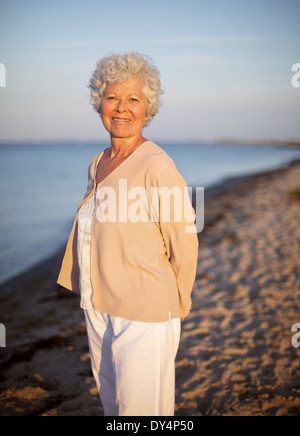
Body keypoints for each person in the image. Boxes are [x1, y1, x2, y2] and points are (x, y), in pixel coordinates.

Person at [57, 52, 199, 416]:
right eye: (112, 97)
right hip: (98, 305)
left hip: (145, 313)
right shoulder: (98, 162)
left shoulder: (158, 166)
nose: (121, 108)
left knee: (142, 414)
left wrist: (180, 301)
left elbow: (185, 239)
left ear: (147, 108)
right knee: (113, 408)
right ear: (99, 103)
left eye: (133, 99)